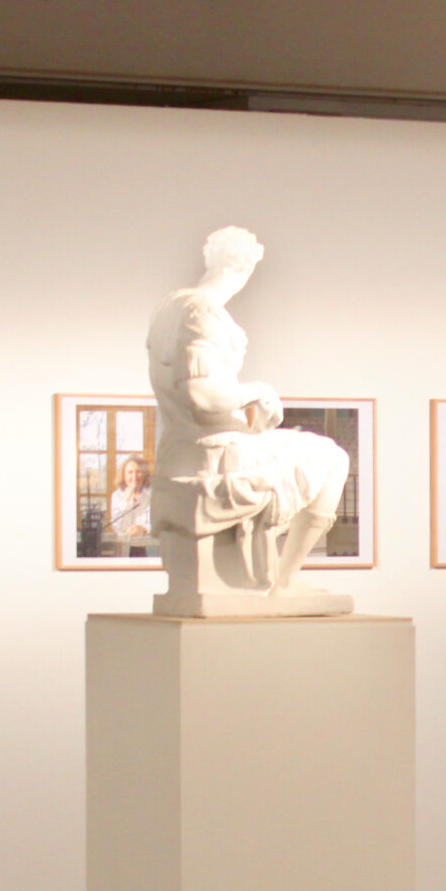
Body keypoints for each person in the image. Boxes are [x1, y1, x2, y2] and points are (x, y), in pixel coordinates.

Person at [145, 226, 349, 608]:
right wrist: (258, 391)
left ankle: (282, 578)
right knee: (334, 459)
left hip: (196, 442)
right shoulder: (201, 311)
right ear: (243, 267)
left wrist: (253, 416)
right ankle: (286, 581)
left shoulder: (172, 305)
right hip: (215, 450)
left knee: (312, 454)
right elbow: (200, 394)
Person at [105, 455, 153, 555]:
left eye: (138, 472)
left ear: (144, 474)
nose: (134, 476)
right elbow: (117, 526)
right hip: (122, 548)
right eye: (130, 472)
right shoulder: (117, 496)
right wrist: (125, 501)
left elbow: (157, 522)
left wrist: (144, 529)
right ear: (123, 475)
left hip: (147, 546)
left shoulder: (151, 495)